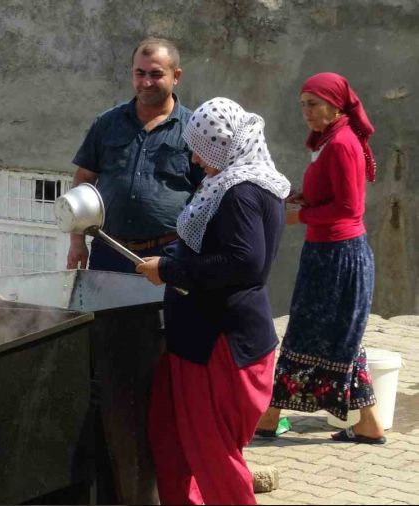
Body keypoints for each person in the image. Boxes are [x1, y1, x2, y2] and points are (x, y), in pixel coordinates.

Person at [135, 97, 291, 504]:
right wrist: (172, 259)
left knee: (212, 454)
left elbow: (244, 263)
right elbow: (214, 247)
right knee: (171, 439)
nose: (196, 159)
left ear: (224, 145)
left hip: (217, 344)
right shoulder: (246, 181)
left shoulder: (240, 191)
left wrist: (169, 271)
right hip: (199, 339)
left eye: (202, 149)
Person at [256, 72, 385, 444]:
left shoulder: (342, 144)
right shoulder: (329, 140)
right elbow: (330, 195)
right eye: (303, 105)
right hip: (327, 253)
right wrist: (303, 198)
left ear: (335, 105)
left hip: (338, 257)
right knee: (339, 338)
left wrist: (299, 216)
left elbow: (349, 207)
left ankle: (269, 416)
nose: (306, 112)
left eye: (313, 104)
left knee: (310, 333)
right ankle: (368, 424)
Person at [67, 37, 203, 273]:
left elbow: (207, 192)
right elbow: (83, 180)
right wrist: (77, 241)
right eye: (140, 73)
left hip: (168, 255)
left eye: (156, 74)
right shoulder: (107, 123)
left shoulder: (194, 129)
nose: (146, 82)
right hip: (109, 251)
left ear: (176, 76)